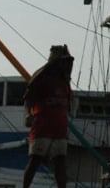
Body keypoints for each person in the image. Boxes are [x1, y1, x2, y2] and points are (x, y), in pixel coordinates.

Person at [23, 45, 74, 188]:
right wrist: (28, 115)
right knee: (35, 160)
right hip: (42, 127)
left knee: (60, 163)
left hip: (60, 128)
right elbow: (28, 99)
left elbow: (69, 101)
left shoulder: (65, 81)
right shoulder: (41, 76)